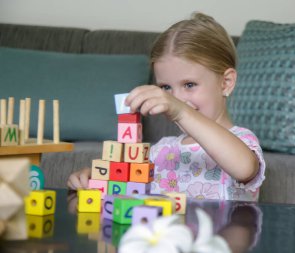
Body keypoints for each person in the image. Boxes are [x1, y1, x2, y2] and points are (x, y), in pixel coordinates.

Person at [67, 12, 265, 201]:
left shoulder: (243, 142)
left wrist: (180, 110)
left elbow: (245, 168)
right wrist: (94, 180)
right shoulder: (161, 151)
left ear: (226, 82)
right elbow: (126, 191)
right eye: (166, 87)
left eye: (189, 85)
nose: (176, 98)